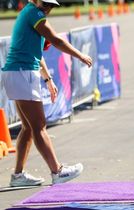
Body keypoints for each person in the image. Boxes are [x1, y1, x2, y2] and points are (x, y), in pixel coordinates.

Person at [0, 0, 92, 187]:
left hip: (20, 72)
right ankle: (57, 171)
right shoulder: (35, 14)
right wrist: (80, 56)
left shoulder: (31, 13)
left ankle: (18, 176)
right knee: (39, 125)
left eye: (51, 5)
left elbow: (35, 53)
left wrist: (48, 79)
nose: (48, 8)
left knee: (28, 127)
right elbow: (57, 40)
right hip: (22, 73)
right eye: (45, 3)